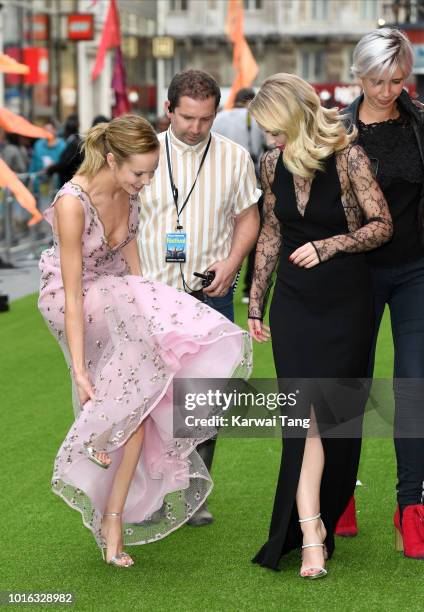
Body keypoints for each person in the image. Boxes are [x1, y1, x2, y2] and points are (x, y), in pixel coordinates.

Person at [38, 114, 252, 567]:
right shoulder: (71, 202)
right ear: (112, 160)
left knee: (143, 397)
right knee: (131, 389)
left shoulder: (131, 194)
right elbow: (74, 294)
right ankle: (100, 427)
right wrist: (78, 370)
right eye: (139, 172)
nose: (146, 181)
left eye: (152, 172)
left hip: (118, 294)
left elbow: (136, 273)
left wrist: (158, 319)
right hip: (74, 300)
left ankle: (112, 517)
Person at [247, 73, 392, 578]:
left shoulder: (349, 157)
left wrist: (328, 245)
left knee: (335, 421)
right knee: (300, 420)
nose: (269, 140)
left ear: (295, 118)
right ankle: (310, 532)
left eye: (274, 128)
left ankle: (324, 519)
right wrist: (255, 302)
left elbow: (381, 225)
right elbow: (270, 231)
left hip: (346, 301)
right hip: (294, 304)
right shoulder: (270, 165)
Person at [138, 69, 261, 526]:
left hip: (209, 294)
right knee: (146, 400)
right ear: (169, 110)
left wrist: (231, 264)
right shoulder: (142, 152)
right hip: (148, 294)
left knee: (203, 400)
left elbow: (249, 218)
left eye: (205, 119)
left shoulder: (233, 157)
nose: (195, 128)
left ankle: (194, 492)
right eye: (187, 118)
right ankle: (147, 498)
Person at [337, 28, 424, 559]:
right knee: (349, 385)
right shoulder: (335, 131)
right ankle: (337, 494)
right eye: (376, 80)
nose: (388, 90)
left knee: (415, 388)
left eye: (397, 80)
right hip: (354, 275)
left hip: (416, 272)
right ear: (357, 75)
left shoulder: (421, 123)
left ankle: (411, 507)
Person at [213, 87, 266, 304]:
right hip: (251, 183)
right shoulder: (256, 119)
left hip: (220, 185)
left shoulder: (219, 119)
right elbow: (265, 146)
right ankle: (247, 288)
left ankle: (217, 277)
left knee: (222, 235)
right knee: (253, 234)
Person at [45, 114, 83, 186]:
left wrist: (51, 169)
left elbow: (65, 164)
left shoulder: (74, 143)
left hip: (70, 182)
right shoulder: (75, 141)